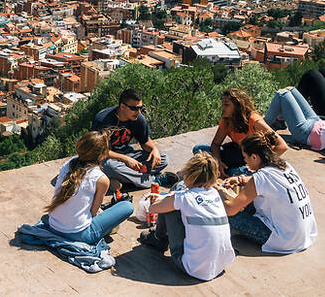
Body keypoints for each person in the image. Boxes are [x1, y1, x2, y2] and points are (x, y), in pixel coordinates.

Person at [138, 152, 235, 281]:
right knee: (176, 202)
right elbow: (186, 197)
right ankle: (161, 235)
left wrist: (159, 200)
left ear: (189, 174)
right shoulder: (215, 194)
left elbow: (153, 208)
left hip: (193, 268)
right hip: (220, 265)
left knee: (171, 205)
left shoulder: (184, 198)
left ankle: (158, 238)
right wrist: (167, 197)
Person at [223, 132, 317, 253]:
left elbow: (230, 210)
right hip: (304, 233)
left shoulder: (262, 177)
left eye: (245, 158)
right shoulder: (285, 166)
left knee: (228, 214)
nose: (245, 162)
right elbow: (264, 182)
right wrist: (241, 179)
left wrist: (219, 192)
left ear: (254, 157)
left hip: (286, 240)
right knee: (250, 200)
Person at [45, 131, 133, 244]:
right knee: (127, 206)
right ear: (102, 155)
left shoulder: (67, 164)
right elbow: (93, 212)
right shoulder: (101, 179)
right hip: (79, 235)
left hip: (54, 226)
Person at [91, 88, 176, 189]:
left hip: (128, 154)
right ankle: (153, 181)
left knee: (163, 159)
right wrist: (126, 160)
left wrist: (154, 150)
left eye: (141, 108)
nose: (138, 112)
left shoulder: (138, 118)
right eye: (134, 108)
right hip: (106, 158)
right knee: (111, 167)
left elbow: (145, 141)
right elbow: (99, 151)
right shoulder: (103, 119)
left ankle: (125, 178)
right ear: (122, 106)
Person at [192, 88, 287, 177]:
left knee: (236, 173)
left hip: (254, 158)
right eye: (223, 104)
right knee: (199, 150)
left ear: (237, 106)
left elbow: (282, 146)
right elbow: (216, 144)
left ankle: (234, 172)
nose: (222, 107)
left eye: (226, 105)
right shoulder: (227, 120)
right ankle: (227, 170)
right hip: (237, 153)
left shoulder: (254, 121)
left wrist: (261, 165)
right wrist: (217, 161)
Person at [264, 86, 325, 151]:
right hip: (317, 121)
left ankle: (260, 125)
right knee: (291, 89)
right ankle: (279, 121)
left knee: (281, 94)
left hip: (305, 132)